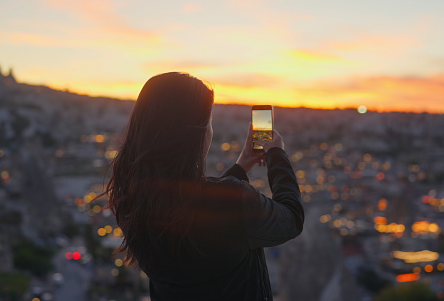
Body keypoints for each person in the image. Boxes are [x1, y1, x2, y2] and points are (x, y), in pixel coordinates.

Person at [103, 72, 304, 301]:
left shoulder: (132, 199)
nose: (210, 130)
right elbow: (292, 219)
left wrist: (242, 165)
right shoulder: (228, 201)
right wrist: (277, 155)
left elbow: (204, 209)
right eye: (209, 121)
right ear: (193, 134)